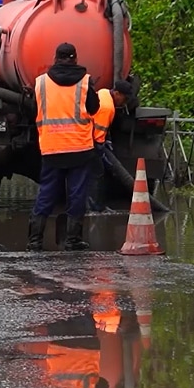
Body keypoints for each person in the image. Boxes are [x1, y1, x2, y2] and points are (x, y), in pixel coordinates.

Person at [27, 43, 100, 251]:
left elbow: (34, 109)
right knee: (77, 194)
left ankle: (35, 240)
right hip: (80, 148)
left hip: (52, 147)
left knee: (47, 193)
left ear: (55, 58)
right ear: (75, 59)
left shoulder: (41, 83)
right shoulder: (85, 82)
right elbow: (94, 108)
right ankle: (72, 240)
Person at [87, 81, 136, 212]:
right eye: (124, 99)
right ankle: (96, 208)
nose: (124, 103)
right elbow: (99, 133)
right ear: (117, 93)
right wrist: (101, 151)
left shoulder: (103, 92)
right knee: (99, 174)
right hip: (90, 142)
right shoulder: (108, 108)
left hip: (85, 137)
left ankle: (92, 206)